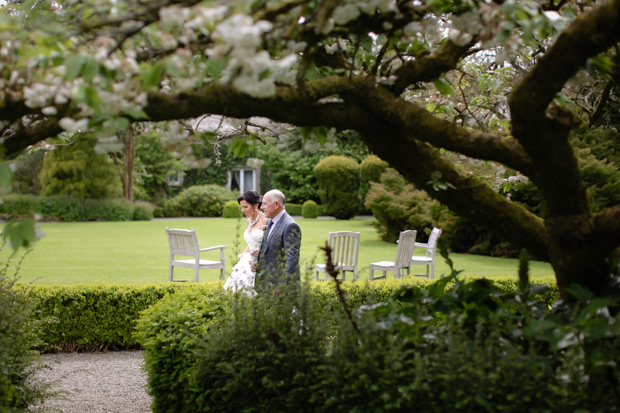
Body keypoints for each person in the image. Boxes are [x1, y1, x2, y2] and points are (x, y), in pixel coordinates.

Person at [252, 189, 302, 294]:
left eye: (265, 203)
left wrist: (281, 286)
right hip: (265, 285)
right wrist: (256, 260)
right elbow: (264, 246)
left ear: (276, 205)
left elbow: (292, 259)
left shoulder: (290, 226)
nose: (261, 207)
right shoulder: (270, 221)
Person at [223, 190, 268, 294]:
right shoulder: (249, 220)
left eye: (245, 207)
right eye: (241, 207)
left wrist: (260, 252)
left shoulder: (265, 220)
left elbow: (272, 242)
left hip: (260, 261)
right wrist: (244, 255)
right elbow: (251, 242)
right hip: (248, 258)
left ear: (256, 205)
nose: (242, 210)